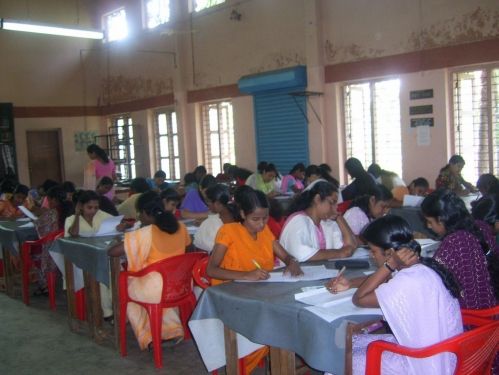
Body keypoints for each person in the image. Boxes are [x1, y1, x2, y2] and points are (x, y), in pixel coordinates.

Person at [327, 215, 462, 375]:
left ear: (390, 253)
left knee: (339, 358)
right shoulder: (421, 268)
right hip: (444, 354)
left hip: (423, 364)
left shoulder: (407, 280)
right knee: (352, 342)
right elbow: (388, 280)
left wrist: (388, 265)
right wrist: (350, 282)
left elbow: (360, 299)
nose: (371, 255)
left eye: (373, 250)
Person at [206, 186, 303, 375]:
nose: (261, 224)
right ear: (242, 213)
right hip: (231, 293)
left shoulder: (265, 232)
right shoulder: (228, 232)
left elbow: (285, 256)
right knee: (278, 319)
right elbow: (212, 269)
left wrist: (292, 262)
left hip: (258, 291)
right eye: (255, 219)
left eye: (265, 218)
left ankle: (279, 359)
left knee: (288, 310)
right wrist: (245, 275)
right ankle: (271, 355)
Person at [108, 191, 192, 350]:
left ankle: (150, 335)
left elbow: (112, 252)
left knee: (127, 284)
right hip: (180, 286)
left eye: (140, 213)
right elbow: (187, 247)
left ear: (147, 214)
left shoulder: (144, 233)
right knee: (150, 284)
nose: (139, 217)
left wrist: (123, 241)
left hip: (156, 290)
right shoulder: (181, 227)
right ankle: (170, 330)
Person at [421, 189, 499, 309]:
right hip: (493, 307)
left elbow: (435, 280)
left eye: (430, 221)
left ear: (442, 219)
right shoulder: (482, 227)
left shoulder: (453, 242)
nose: (428, 226)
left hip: (471, 316)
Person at [65, 190, 126, 320]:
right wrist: (77, 214)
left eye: (96, 207)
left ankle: (116, 307)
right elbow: (73, 234)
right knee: (101, 273)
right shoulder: (70, 220)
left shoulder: (104, 216)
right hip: (81, 259)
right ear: (80, 206)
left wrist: (120, 228)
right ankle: (108, 311)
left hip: (103, 256)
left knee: (117, 271)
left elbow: (116, 236)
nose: (93, 211)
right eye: (89, 207)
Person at [279, 180, 357, 261]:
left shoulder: (326, 223)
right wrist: (340, 253)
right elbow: (303, 255)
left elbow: (351, 246)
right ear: (317, 199)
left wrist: (339, 218)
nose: (335, 208)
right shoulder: (298, 221)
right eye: (332, 203)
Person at [32, 185, 74, 295]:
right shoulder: (71, 208)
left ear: (54, 199)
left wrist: (36, 220)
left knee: (34, 249)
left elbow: (41, 228)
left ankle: (44, 284)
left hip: (54, 248)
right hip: (69, 246)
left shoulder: (52, 213)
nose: (48, 202)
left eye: (48, 200)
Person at [193, 184, 236, 252]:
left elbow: (199, 248)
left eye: (208, 201)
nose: (207, 206)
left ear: (217, 203)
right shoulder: (239, 217)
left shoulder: (211, 222)